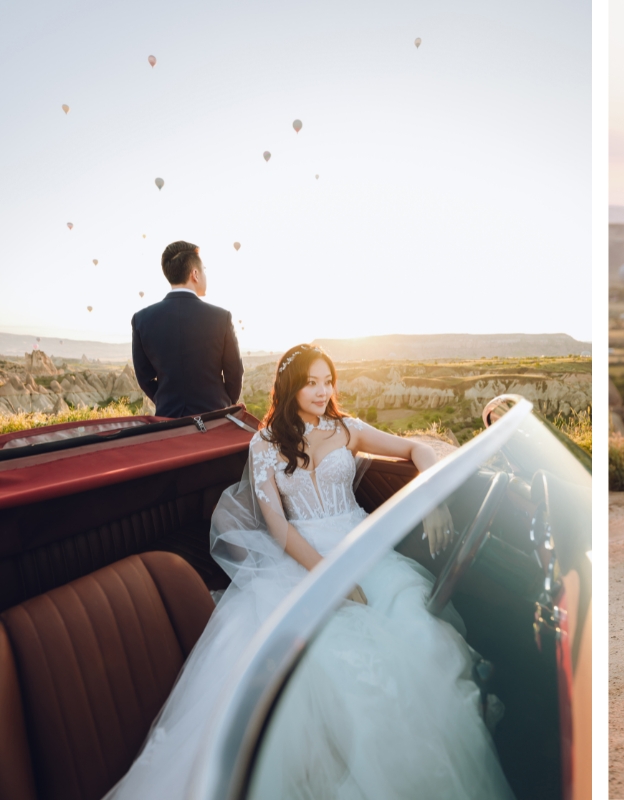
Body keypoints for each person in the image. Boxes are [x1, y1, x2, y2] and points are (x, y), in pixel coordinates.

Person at [105, 344, 514, 799]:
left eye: (328, 381)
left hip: (366, 549)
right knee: (327, 668)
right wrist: (330, 579)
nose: (323, 391)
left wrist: (433, 499)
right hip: (302, 558)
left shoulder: (347, 429)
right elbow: (277, 525)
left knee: (416, 631)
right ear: (291, 387)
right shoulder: (262, 445)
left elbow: (417, 448)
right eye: (311, 382)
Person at [131, 241, 243, 417]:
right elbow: (234, 372)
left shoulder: (142, 319)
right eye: (204, 270)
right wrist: (223, 402)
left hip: (168, 419)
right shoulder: (221, 317)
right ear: (195, 274)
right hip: (215, 418)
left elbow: (144, 377)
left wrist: (166, 401)